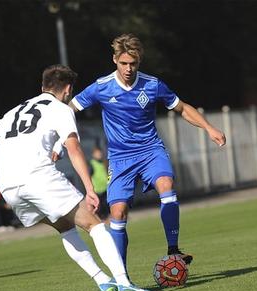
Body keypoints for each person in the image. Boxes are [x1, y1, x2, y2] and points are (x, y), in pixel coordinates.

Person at [0, 64, 152, 291]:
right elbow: (74, 148)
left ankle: (102, 280)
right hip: (36, 176)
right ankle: (123, 282)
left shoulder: (16, 110)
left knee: (65, 227)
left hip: (7, 184)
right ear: (67, 89)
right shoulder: (60, 109)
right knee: (95, 225)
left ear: (42, 86)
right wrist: (89, 189)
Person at [68, 34, 226, 268]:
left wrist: (209, 128)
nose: (129, 68)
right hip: (120, 158)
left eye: (133, 63)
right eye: (124, 63)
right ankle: (122, 276)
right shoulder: (101, 87)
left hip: (151, 149)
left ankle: (173, 250)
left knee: (166, 186)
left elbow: (181, 108)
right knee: (118, 214)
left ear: (139, 61)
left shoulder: (153, 85)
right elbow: (69, 109)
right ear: (115, 60)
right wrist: (59, 139)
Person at [89, 146, 110, 220]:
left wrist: (109, 181)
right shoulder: (91, 164)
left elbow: (108, 174)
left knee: (106, 205)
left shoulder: (104, 162)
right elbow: (89, 176)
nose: (99, 155)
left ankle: (106, 219)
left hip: (105, 188)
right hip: (97, 189)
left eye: (100, 153)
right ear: (93, 154)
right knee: (99, 207)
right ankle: (99, 220)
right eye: (97, 153)